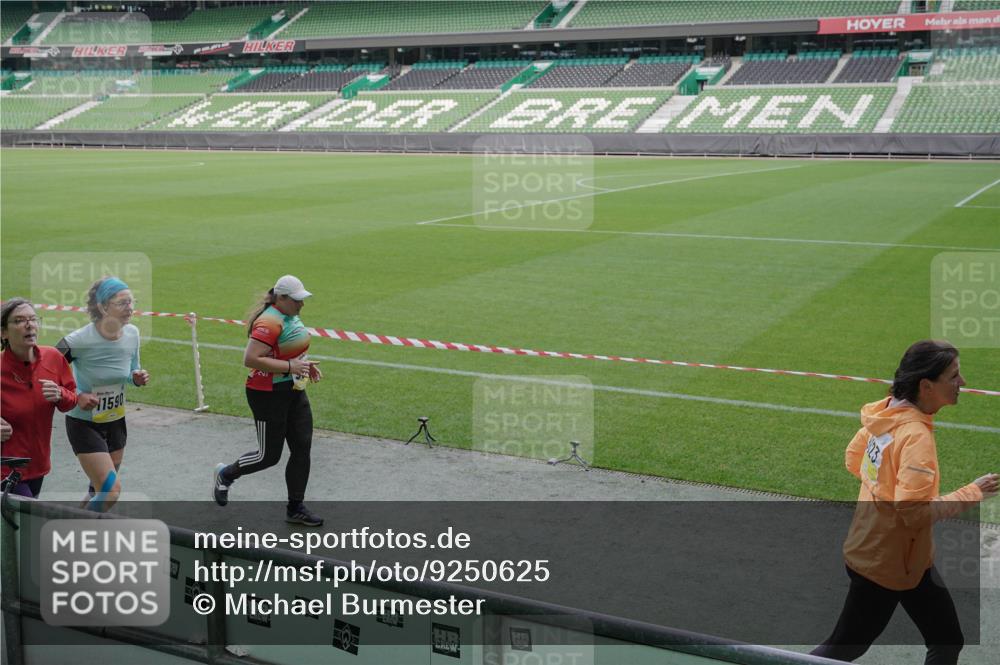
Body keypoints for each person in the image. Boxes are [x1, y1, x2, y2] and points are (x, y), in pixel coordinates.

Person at [812, 340, 998, 664]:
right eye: (954, 376)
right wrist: (974, 492)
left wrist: (887, 498)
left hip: (898, 556)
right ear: (926, 386)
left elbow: (854, 459)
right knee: (842, 649)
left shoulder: (886, 414)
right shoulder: (915, 437)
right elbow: (913, 514)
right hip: (887, 565)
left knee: (947, 640)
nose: (963, 382)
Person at [213, 275, 323, 526]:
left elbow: (289, 348)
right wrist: (291, 367)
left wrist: (304, 365)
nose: (301, 304)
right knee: (268, 456)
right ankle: (226, 474)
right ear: (281, 298)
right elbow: (251, 359)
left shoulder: (290, 314)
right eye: (296, 300)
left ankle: (295, 508)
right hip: (267, 394)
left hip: (293, 390)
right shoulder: (268, 322)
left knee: (302, 447)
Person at [56, 277, 149, 511]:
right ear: (103, 307)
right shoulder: (78, 340)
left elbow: (131, 370)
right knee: (110, 491)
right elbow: (47, 370)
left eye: (131, 302)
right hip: (83, 423)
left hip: (115, 420)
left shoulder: (133, 333)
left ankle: (78, 523)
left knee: (98, 491)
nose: (130, 308)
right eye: (122, 303)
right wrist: (77, 395)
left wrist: (136, 378)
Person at [1, 298, 78, 498]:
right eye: (19, 320)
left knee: (25, 513)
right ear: (3, 332)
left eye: (33, 319)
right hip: (6, 467)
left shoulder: (53, 358)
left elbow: (71, 400)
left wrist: (60, 394)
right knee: (27, 514)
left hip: (38, 464)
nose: (29, 325)